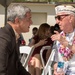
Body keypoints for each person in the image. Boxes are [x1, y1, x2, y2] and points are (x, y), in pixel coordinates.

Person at [0, 4, 33, 75]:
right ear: (17, 21)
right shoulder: (3, 39)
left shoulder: (13, 36)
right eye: (29, 19)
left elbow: (17, 65)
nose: (31, 22)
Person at [51, 5, 75, 75]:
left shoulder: (61, 38)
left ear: (70, 18)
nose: (57, 22)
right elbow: (59, 60)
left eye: (59, 18)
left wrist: (65, 42)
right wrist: (58, 70)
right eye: (56, 18)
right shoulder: (60, 36)